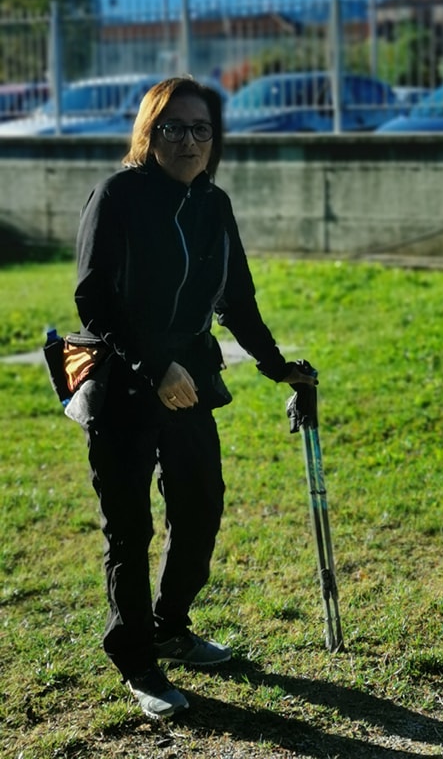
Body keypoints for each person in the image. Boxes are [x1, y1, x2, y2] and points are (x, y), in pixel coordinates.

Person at [71, 76, 317, 720]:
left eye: (201, 129)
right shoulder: (117, 195)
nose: (189, 141)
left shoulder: (214, 203)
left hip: (192, 383)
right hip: (124, 383)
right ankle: (136, 658)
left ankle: (170, 625)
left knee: (201, 507)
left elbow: (237, 299)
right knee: (129, 529)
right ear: (149, 132)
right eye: (174, 127)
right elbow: (93, 299)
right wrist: (155, 366)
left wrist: (276, 367)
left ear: (215, 138)